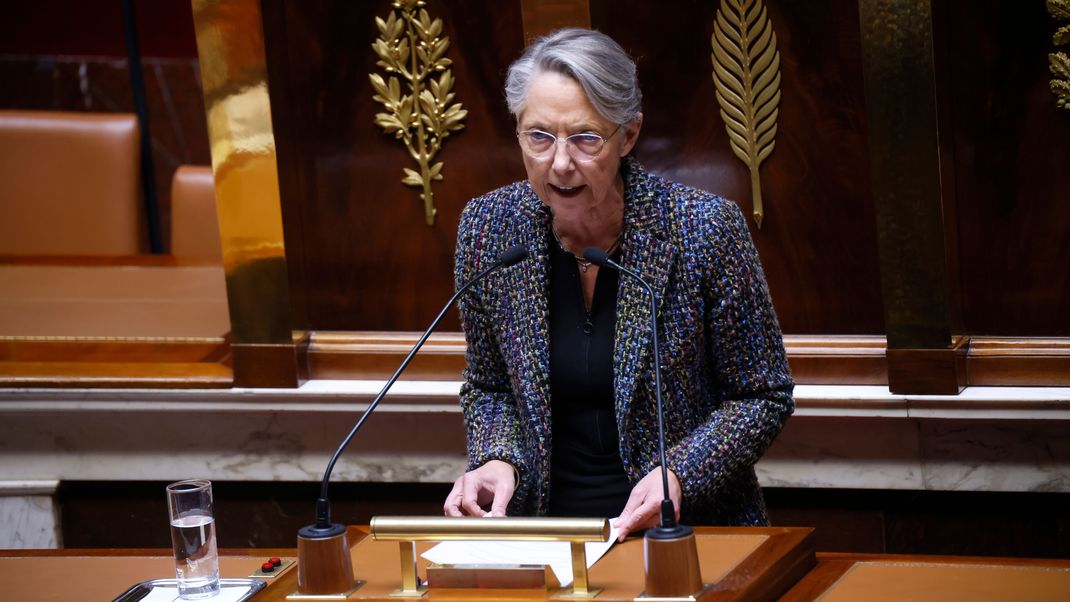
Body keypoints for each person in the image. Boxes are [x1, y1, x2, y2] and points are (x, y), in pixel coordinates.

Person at [443, 28, 794, 541]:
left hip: (685, 534)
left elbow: (762, 394)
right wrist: (498, 458)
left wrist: (681, 472)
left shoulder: (702, 229)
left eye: (585, 138)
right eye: (539, 136)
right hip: (548, 537)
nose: (559, 163)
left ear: (628, 135)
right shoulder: (490, 228)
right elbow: (490, 386)